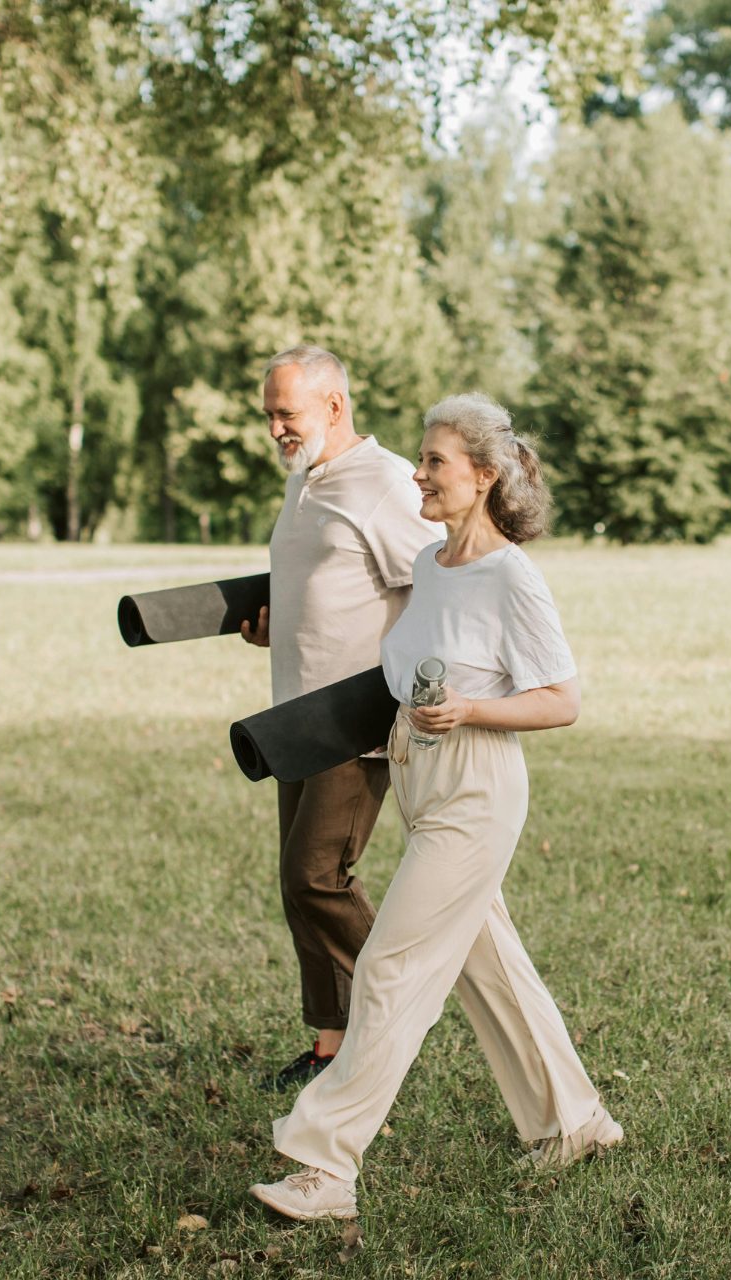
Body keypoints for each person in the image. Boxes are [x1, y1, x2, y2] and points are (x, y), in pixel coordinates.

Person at [250, 393, 620, 1222]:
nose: (417, 474)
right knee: (493, 970)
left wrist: (470, 711)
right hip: (424, 780)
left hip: (477, 790)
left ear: (483, 477)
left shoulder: (509, 577)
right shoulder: (431, 566)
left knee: (390, 966)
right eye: (420, 459)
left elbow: (563, 699)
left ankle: (324, 1166)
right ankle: (575, 1121)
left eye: (435, 463)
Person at [243, 345, 440, 1091]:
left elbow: (439, 587)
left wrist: (416, 691)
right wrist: (275, 622)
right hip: (294, 715)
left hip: (352, 718)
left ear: (333, 404)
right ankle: (333, 1048)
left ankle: (401, 1013)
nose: (274, 430)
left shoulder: (386, 483)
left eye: (285, 414)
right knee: (299, 881)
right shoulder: (308, 479)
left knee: (315, 874)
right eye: (268, 416)